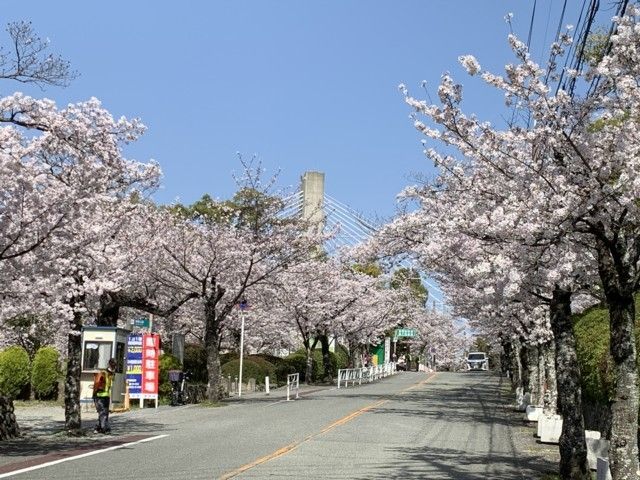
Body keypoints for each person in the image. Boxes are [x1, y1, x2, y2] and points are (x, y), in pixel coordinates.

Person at [93, 358, 116, 434]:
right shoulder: (103, 373)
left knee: (104, 413)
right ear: (109, 365)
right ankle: (105, 429)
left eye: (114, 366)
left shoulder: (111, 374)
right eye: (112, 366)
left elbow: (111, 383)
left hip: (106, 396)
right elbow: (97, 384)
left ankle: (98, 427)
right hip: (99, 396)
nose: (113, 369)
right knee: (103, 413)